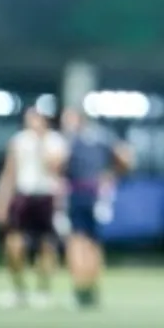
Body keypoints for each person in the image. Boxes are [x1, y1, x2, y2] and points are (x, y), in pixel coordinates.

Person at [0, 107, 67, 308]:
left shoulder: (56, 141)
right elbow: (9, 173)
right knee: (14, 243)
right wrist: (1, 201)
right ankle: (19, 290)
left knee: (46, 244)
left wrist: (41, 144)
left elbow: (55, 170)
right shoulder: (19, 140)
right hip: (23, 195)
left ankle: (43, 290)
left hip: (47, 196)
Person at [60, 106, 134, 308]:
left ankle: (81, 289)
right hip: (98, 195)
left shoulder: (70, 140)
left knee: (77, 240)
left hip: (78, 193)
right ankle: (91, 289)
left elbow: (55, 164)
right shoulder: (103, 137)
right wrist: (111, 175)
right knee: (93, 241)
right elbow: (126, 157)